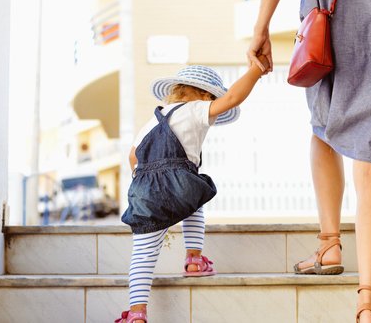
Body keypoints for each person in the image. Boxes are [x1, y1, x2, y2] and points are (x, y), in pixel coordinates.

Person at [247, 0, 371, 322]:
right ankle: (369, 304)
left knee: (324, 125)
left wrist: (261, 25)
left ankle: (329, 244)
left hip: (335, 15)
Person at [115, 59, 269, 323]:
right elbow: (232, 97)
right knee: (193, 194)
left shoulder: (152, 121)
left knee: (143, 254)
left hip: (143, 188)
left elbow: (132, 156)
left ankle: (137, 312)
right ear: (205, 95)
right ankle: (194, 259)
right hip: (179, 182)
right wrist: (256, 70)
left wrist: (147, 184)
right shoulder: (197, 108)